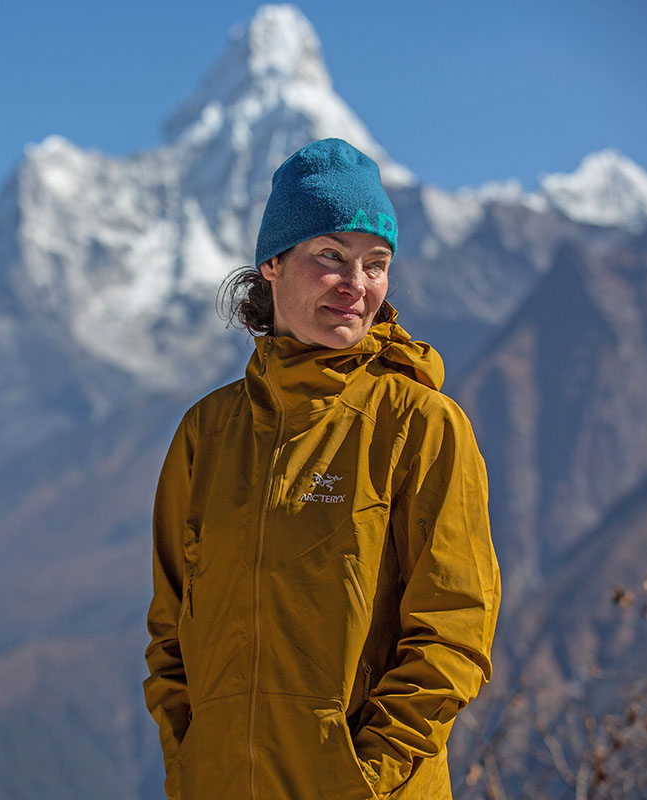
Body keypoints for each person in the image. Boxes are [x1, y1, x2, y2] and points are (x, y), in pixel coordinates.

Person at [142, 138, 500, 800]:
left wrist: (365, 778)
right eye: (330, 257)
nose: (355, 285)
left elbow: (454, 632)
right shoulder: (207, 433)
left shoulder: (419, 426)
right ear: (272, 265)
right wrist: (189, 762)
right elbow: (171, 634)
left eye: (376, 264)